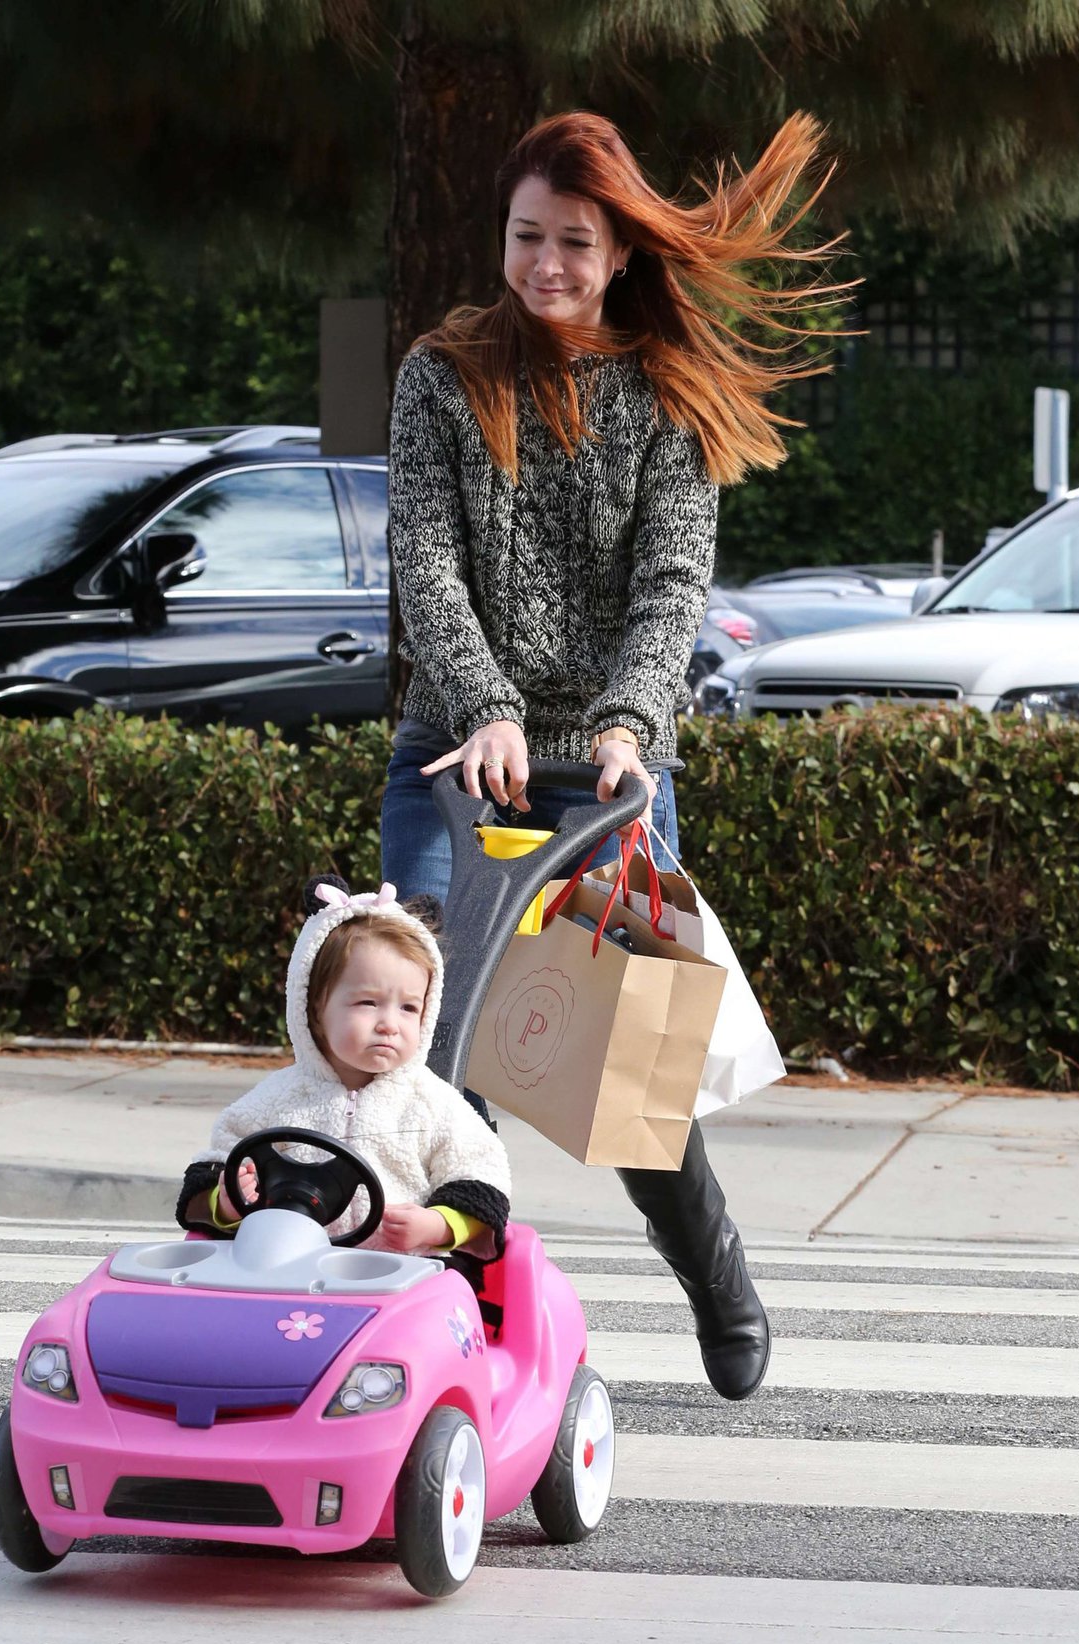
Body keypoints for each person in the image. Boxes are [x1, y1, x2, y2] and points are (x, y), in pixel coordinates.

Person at [381, 109, 846, 1400]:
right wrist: (478, 702)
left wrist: (628, 726)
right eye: (526, 237)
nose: (545, 265)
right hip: (454, 756)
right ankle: (448, 1340)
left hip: (610, 763)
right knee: (430, 1051)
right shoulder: (440, 373)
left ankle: (714, 1268)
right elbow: (423, 559)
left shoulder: (665, 393)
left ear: (618, 249)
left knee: (623, 1068)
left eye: (573, 243)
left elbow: (671, 585)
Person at [177, 877, 511, 1260]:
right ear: (315, 1009)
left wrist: (437, 1225)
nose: (389, 1023)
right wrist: (229, 1199)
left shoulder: (434, 1103)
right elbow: (214, 1165)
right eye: (368, 1002)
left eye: (408, 1008)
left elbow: (482, 1175)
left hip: (402, 1280)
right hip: (287, 1272)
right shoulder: (280, 1098)